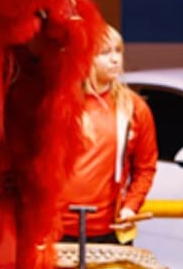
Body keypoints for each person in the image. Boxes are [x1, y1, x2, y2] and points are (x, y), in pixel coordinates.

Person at [58, 24, 158, 246]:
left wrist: (130, 207)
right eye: (105, 52)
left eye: (118, 51)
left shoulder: (134, 107)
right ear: (86, 58)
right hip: (57, 228)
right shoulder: (61, 104)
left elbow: (145, 167)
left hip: (109, 228)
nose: (115, 59)